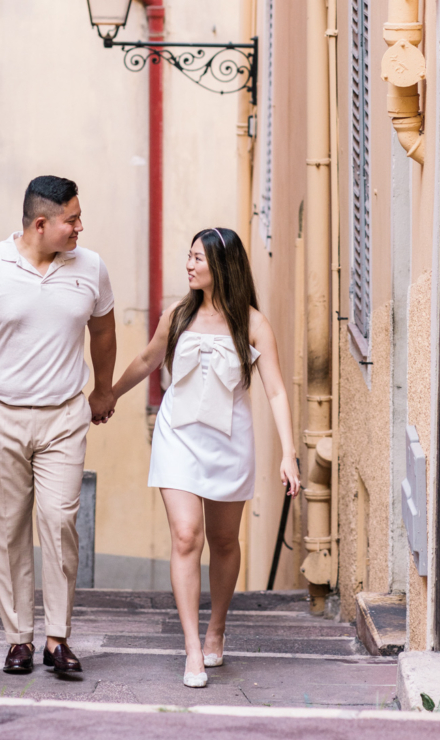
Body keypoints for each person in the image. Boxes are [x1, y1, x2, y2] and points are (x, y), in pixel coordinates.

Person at [0, 175, 116, 680]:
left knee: (60, 521)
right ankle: (18, 638)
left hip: (64, 415)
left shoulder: (91, 268)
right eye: (72, 219)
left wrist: (102, 389)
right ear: (42, 224)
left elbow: (103, 331)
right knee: (8, 528)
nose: (80, 226)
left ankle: (57, 639)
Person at [111, 226, 299, 688]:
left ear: (221, 265)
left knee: (225, 541)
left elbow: (275, 389)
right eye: (189, 256)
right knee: (186, 535)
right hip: (177, 438)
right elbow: (148, 360)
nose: (189, 264)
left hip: (229, 443)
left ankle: (217, 629)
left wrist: (289, 453)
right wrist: (108, 395)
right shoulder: (176, 314)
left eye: (198, 257)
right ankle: (193, 650)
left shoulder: (252, 323)